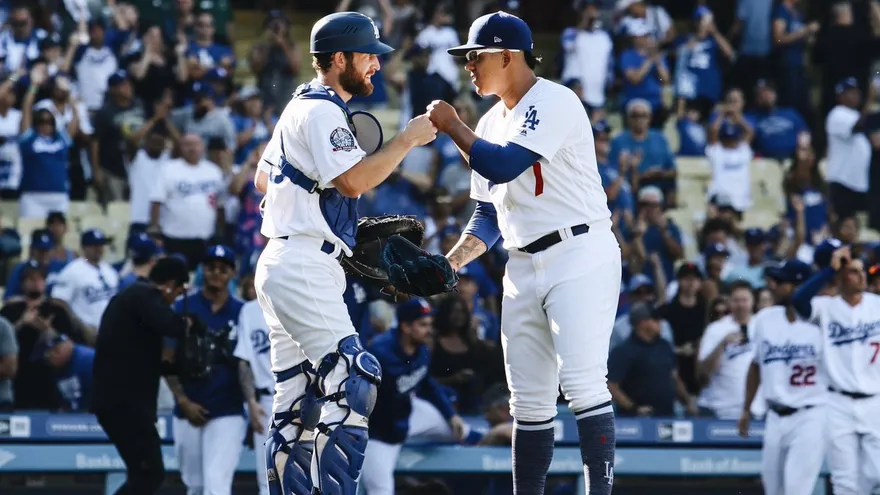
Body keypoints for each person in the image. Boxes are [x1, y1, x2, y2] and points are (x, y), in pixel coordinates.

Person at [425, 11, 621, 494]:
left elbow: (504, 164)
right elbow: (487, 215)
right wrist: (450, 263)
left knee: (582, 384)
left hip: (578, 249)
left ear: (509, 56)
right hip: (521, 262)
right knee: (528, 403)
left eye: (477, 55)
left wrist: (452, 125)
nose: (468, 65)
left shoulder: (554, 99)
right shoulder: (490, 120)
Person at [251, 11, 437, 495]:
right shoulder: (321, 110)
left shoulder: (299, 104)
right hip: (302, 263)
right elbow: (354, 181)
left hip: (287, 260)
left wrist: (315, 209)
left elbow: (262, 180)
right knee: (353, 378)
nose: (376, 64)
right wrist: (407, 139)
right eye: (368, 55)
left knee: (296, 406)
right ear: (339, 58)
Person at [91, 256, 192, 494]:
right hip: (125, 404)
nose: (175, 301)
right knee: (149, 474)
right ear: (170, 285)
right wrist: (190, 323)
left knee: (143, 473)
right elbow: (172, 325)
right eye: (177, 293)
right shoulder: (142, 294)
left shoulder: (135, 300)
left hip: (122, 403)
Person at [164, 245, 256, 495]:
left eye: (223, 269)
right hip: (189, 408)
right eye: (211, 267)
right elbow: (166, 359)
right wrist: (183, 401)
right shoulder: (183, 307)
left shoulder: (243, 312)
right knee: (195, 486)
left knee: (217, 484)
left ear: (232, 273)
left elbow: (248, 364)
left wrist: (252, 403)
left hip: (228, 408)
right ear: (202, 270)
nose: (216, 273)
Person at [791, 245, 880, 495]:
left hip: (874, 400)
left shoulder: (877, 305)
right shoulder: (826, 307)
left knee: (876, 473)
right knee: (844, 480)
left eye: (862, 271)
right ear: (840, 278)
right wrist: (829, 270)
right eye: (853, 272)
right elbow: (798, 300)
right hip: (837, 403)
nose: (861, 276)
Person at [360, 298, 466, 495]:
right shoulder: (378, 354)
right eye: (423, 325)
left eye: (430, 324)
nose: (429, 330)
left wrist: (451, 414)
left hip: (408, 414)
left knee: (459, 431)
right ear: (406, 327)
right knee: (381, 491)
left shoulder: (421, 348)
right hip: (378, 435)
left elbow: (426, 383)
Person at [738, 259, 826, 495]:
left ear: (799, 286)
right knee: (773, 490)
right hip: (775, 416)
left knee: (796, 490)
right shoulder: (765, 319)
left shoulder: (821, 319)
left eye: (781, 282)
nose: (773, 286)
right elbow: (756, 365)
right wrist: (746, 409)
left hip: (810, 414)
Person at [233, 288, 274, 495]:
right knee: (267, 480)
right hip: (267, 400)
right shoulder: (250, 311)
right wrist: (251, 402)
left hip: (303, 398)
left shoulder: (303, 302)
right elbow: (244, 360)